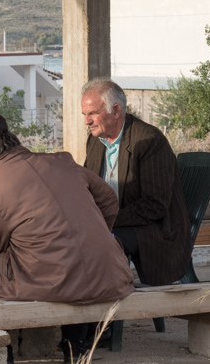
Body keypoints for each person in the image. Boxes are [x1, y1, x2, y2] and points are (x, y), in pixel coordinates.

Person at [0, 115, 134, 363]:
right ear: (12, 142)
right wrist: (92, 233)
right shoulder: (63, 161)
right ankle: (75, 348)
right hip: (109, 271)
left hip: (54, 279)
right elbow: (109, 199)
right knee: (71, 261)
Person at [80, 78, 192, 286]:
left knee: (99, 244)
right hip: (114, 224)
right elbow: (88, 189)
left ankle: (106, 309)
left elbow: (155, 205)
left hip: (154, 230)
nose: (87, 121)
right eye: (85, 115)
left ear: (116, 110)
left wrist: (107, 221)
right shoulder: (95, 140)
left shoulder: (149, 140)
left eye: (93, 113)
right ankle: (84, 311)